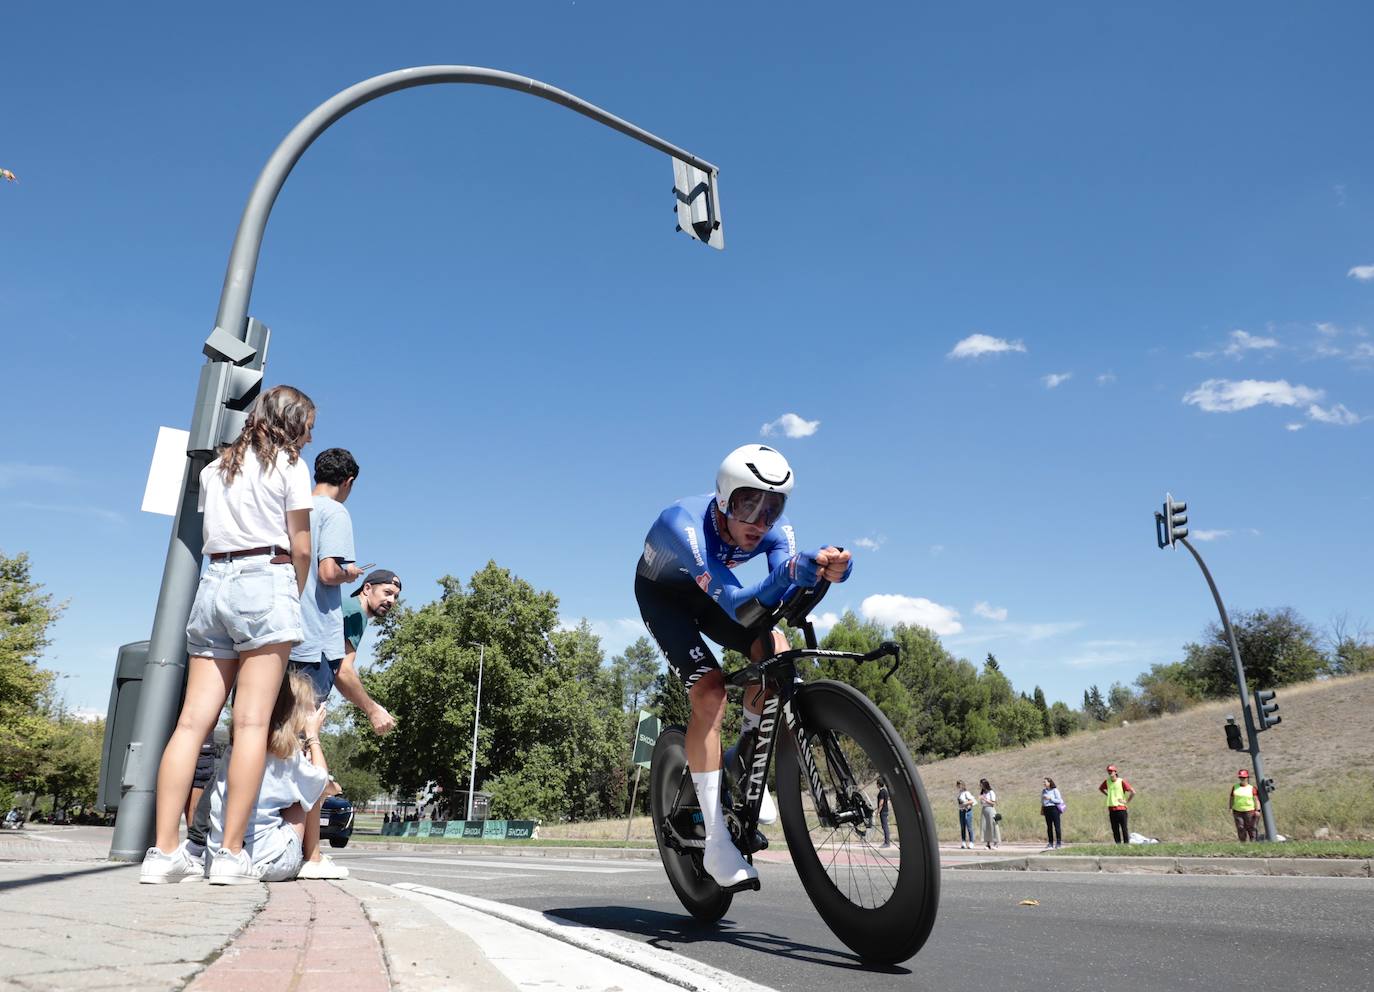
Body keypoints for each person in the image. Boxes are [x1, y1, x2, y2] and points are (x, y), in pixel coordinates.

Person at [635, 444, 851, 886]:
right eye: (747, 503)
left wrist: (826, 573)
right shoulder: (684, 526)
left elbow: (781, 604)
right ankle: (716, 842)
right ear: (722, 499)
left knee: (776, 652)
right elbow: (736, 603)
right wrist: (790, 571)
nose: (759, 520)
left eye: (772, 507)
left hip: (714, 594)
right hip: (667, 599)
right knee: (711, 693)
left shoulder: (775, 531)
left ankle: (744, 759)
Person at [141, 385, 315, 885]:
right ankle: (230, 854)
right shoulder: (290, 466)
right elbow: (301, 546)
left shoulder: (216, 469)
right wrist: (291, 591)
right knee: (252, 726)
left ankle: (164, 852)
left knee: (192, 724)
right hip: (267, 576)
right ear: (294, 423)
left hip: (213, 583)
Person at [295, 568, 401, 880]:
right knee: (312, 776)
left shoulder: (349, 610)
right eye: (386, 593)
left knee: (304, 775)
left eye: (395, 597)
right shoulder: (354, 612)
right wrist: (373, 710)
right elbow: (344, 671)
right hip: (306, 692)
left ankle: (305, 852)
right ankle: (310, 857)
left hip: (304, 689)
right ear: (367, 588)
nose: (391, 601)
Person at [205, 671, 332, 883]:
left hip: (217, 858)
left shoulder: (236, 750)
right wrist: (313, 737)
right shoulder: (287, 756)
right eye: (311, 709)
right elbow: (320, 783)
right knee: (302, 801)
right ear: (296, 713)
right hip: (269, 863)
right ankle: (313, 859)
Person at [1098, 764, 1135, 844]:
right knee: (1115, 829)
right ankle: (1118, 845)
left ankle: (1126, 845)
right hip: (1111, 809)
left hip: (1121, 809)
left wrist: (1127, 801)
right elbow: (1101, 789)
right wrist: (1108, 795)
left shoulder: (1121, 781)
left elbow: (1133, 792)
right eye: (1108, 771)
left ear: (1115, 772)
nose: (1110, 772)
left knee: (1124, 828)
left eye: (1111, 771)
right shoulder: (1107, 781)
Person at [1228, 769, 1260, 842]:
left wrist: (1257, 810)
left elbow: (1256, 800)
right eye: (1241, 777)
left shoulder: (1252, 788)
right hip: (1237, 811)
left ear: (1247, 778)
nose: (1242, 779)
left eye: (1244, 777)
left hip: (1250, 811)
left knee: (1251, 828)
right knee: (1240, 827)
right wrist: (1230, 807)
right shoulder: (1235, 787)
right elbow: (1231, 798)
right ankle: (1243, 843)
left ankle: (1254, 842)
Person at [1041, 776, 1064, 849]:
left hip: (1054, 809)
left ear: (1049, 782)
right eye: (1043, 782)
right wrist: (1042, 807)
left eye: (1045, 782)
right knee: (1049, 827)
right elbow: (1042, 800)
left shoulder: (1055, 790)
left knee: (1057, 827)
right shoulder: (1044, 791)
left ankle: (1058, 843)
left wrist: (1050, 798)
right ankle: (1050, 843)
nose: (1044, 783)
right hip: (1046, 809)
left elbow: (1059, 800)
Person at [978, 779, 1000, 849]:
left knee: (993, 826)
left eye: (981, 784)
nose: (980, 786)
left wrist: (985, 799)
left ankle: (995, 843)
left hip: (990, 810)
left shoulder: (991, 792)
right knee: (985, 826)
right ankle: (988, 844)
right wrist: (981, 800)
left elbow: (993, 803)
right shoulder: (983, 793)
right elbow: (982, 802)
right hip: (984, 810)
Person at [956, 780, 976, 849]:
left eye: (960, 785)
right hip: (961, 811)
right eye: (958, 785)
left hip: (967, 811)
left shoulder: (966, 793)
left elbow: (972, 801)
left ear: (963, 785)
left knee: (969, 827)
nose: (959, 786)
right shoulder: (959, 793)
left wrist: (964, 804)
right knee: (962, 827)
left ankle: (971, 842)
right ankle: (963, 842)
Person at [876, 778, 891, 848]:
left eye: (877, 784)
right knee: (885, 826)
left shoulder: (881, 792)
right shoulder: (885, 791)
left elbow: (881, 802)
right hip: (886, 810)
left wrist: (878, 812)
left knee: (885, 827)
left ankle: (887, 843)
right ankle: (887, 841)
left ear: (878, 784)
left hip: (883, 811)